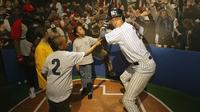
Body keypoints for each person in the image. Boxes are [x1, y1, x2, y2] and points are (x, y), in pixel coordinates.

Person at [102, 8, 156, 112]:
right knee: (123, 78)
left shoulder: (120, 31)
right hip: (140, 63)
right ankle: (132, 95)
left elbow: (102, 36)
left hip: (143, 66)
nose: (113, 22)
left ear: (120, 18)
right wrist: (106, 27)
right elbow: (114, 33)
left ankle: (130, 99)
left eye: (115, 19)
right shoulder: (127, 25)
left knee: (127, 101)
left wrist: (103, 27)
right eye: (113, 20)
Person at [42, 35, 101, 112]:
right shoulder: (68, 55)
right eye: (66, 42)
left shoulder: (49, 57)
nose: (68, 43)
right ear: (61, 45)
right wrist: (95, 45)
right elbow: (86, 53)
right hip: (62, 93)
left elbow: (43, 73)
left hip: (50, 91)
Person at [73, 24, 97, 99]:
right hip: (80, 63)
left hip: (88, 62)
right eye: (80, 29)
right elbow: (75, 54)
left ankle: (90, 92)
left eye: (82, 28)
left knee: (88, 77)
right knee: (82, 77)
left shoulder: (88, 38)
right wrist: (76, 64)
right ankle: (84, 88)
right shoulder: (75, 42)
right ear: (77, 33)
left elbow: (97, 40)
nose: (82, 30)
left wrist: (101, 36)